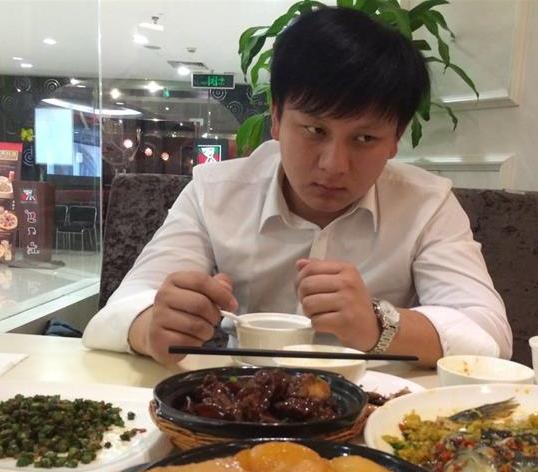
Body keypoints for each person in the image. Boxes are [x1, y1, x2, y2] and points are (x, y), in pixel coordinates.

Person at [83, 7, 512, 366]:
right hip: (236, 409)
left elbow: (489, 334)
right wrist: (153, 326)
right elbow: (120, 310)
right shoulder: (214, 192)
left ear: (396, 139)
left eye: (365, 138)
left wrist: (377, 324)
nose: (334, 165)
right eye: (313, 130)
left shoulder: (427, 204)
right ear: (276, 118)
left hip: (375, 412)